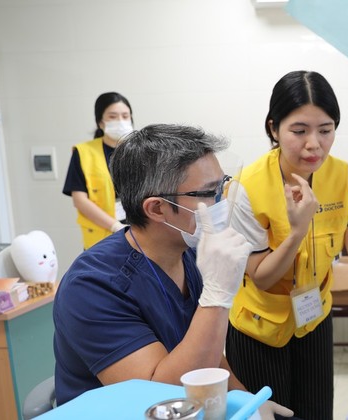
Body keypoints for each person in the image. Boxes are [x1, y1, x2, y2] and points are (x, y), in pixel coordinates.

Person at [52, 124, 293, 418]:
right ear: (156, 209)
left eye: (223, 185)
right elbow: (157, 398)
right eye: (208, 192)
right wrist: (216, 297)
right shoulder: (92, 286)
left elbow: (210, 354)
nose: (222, 201)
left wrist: (245, 400)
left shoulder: (189, 253)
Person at [227, 70, 348, 419]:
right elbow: (261, 276)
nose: (313, 144)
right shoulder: (248, 186)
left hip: (313, 317)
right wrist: (297, 232)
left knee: (317, 414)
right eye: (299, 131)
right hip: (260, 326)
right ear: (274, 128)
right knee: (270, 415)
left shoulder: (342, 175)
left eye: (326, 130)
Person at [62, 92, 135, 249]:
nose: (120, 121)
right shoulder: (83, 152)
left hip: (139, 234)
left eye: (125, 116)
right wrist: (115, 226)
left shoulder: (140, 150)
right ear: (100, 122)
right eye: (112, 117)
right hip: (102, 237)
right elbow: (80, 200)